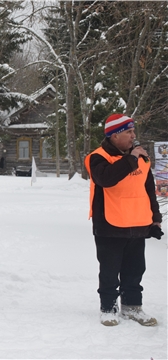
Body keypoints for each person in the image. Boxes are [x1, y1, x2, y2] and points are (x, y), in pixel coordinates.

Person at [85, 113, 163, 327]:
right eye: (128, 132)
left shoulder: (140, 157)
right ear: (114, 135)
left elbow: (149, 190)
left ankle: (132, 307)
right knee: (110, 271)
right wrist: (131, 159)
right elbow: (106, 179)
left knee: (136, 269)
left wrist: (155, 219)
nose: (133, 135)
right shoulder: (98, 157)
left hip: (138, 224)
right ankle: (108, 308)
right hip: (109, 225)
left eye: (133, 131)